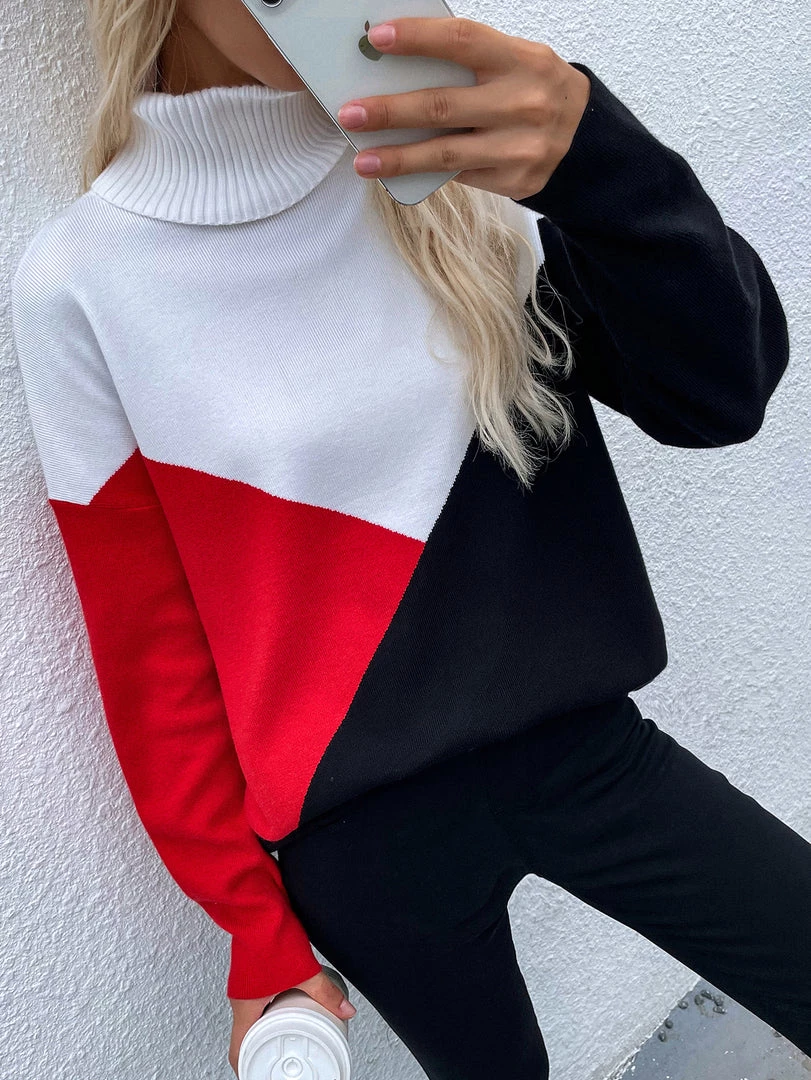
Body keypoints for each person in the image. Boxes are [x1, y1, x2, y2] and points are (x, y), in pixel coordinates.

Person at [9, 1, 808, 1077]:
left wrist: (596, 157)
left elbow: (720, 396)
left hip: (590, 756)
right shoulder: (78, 281)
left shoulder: (466, 160)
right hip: (363, 850)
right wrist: (257, 937)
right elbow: (152, 661)